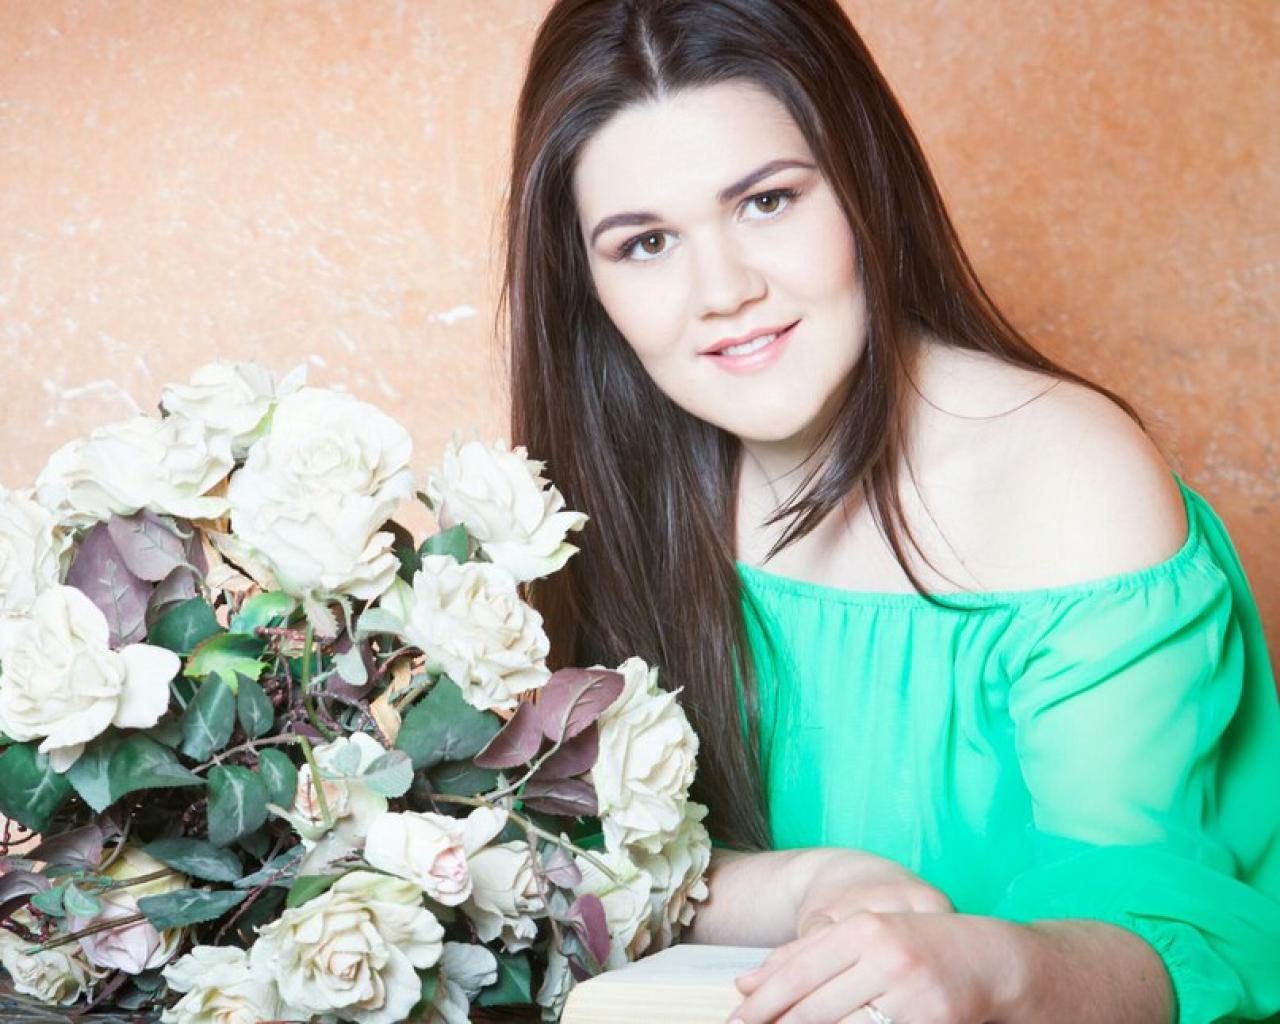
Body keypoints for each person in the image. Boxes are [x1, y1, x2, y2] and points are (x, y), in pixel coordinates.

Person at [501, 1, 1280, 1020]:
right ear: (585, 284)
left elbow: (1163, 936)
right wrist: (801, 885)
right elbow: (552, 862)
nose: (722, 290)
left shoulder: (1066, 475)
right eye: (645, 243)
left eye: (767, 201)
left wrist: (993, 970)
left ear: (862, 181)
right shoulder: (599, 485)